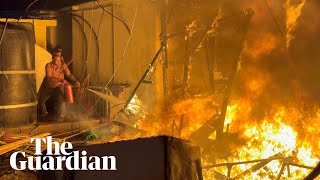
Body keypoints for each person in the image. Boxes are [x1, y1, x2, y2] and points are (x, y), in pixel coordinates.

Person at [38, 55, 80, 121]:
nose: (57, 62)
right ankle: (44, 114)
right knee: (41, 101)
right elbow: (49, 77)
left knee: (61, 100)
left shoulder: (63, 66)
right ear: (52, 60)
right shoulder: (48, 65)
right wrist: (60, 80)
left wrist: (75, 81)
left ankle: (61, 116)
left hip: (59, 86)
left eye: (58, 61)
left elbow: (69, 75)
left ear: (60, 61)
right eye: (55, 60)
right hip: (47, 86)